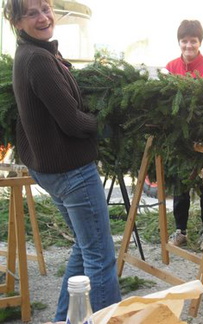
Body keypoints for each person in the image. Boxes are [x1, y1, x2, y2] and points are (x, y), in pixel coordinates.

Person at [3, 0, 122, 321]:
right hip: (71, 172)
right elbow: (71, 121)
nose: (43, 17)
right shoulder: (38, 60)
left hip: (51, 170)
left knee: (85, 249)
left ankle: (64, 319)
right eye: (32, 13)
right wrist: (110, 124)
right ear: (16, 22)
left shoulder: (33, 54)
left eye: (45, 8)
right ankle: (106, 319)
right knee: (100, 257)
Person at [166, 19, 203, 249]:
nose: (188, 45)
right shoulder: (170, 67)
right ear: (179, 41)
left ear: (200, 42)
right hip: (180, 141)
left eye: (193, 41)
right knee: (180, 184)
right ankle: (181, 230)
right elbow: (165, 99)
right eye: (184, 41)